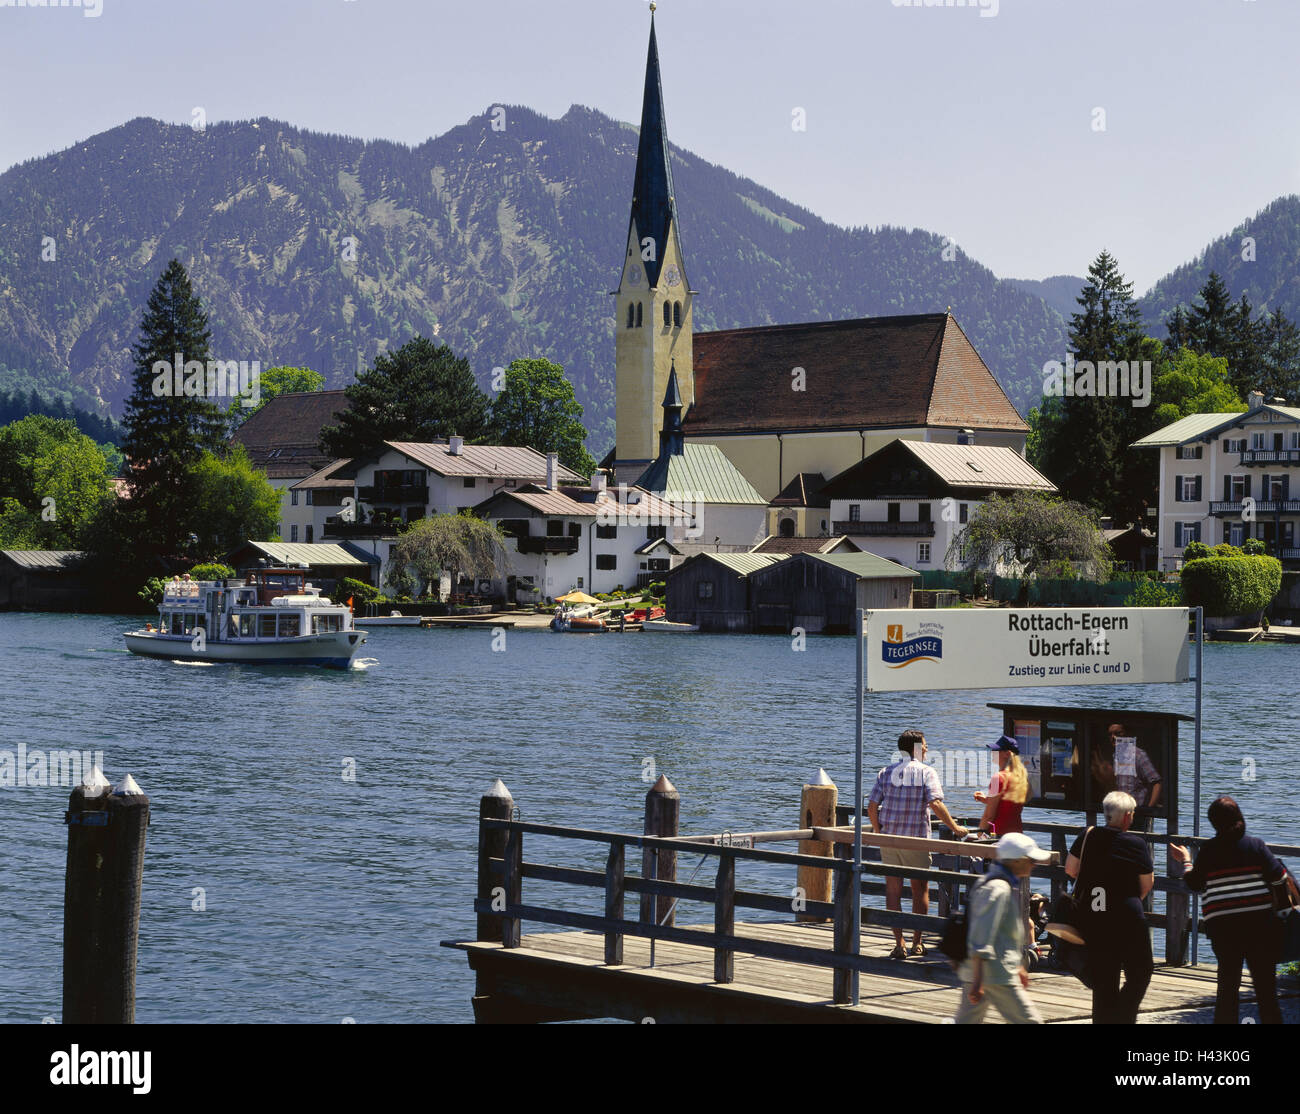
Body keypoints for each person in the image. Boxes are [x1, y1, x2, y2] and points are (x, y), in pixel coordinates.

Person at [1171, 797, 1300, 1024]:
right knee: (1266, 992)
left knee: (1227, 990)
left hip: (1224, 931)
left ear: (1214, 823)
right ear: (1239, 816)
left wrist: (1186, 861)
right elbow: (1279, 877)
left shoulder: (1209, 851)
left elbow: (1195, 884)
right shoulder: (1255, 846)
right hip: (1261, 929)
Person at [868, 729, 969, 959]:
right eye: (924, 745)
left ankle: (899, 943)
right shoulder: (927, 772)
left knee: (892, 891)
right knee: (919, 890)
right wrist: (955, 828)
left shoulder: (885, 772)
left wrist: (878, 831)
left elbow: (872, 807)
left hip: (890, 840)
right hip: (917, 841)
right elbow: (935, 804)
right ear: (916, 748)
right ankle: (917, 942)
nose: (926, 749)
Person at [1065, 790, 1154, 1023]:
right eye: (1132, 814)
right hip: (1128, 919)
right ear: (1126, 816)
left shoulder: (1088, 835)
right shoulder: (1135, 843)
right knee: (1141, 971)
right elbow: (1147, 884)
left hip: (1095, 915)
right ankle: (1122, 1017)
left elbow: (1070, 870)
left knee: (1105, 978)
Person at [954, 832, 1051, 1024]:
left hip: (983, 970)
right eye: (1030, 859)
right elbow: (982, 932)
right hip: (996, 974)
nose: (1034, 864)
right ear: (1016, 861)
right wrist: (979, 979)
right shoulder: (999, 888)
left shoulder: (991, 880)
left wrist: (1018, 967)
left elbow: (1001, 933)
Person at [1091, 722, 1162, 810]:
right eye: (1110, 734)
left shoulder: (1138, 755)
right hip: (1118, 810)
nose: (1113, 737)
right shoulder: (1114, 756)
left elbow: (1156, 782)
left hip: (1137, 810)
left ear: (1126, 734)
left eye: (1118, 733)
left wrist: (1149, 809)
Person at [974, 735, 1029, 836]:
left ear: (1007, 754)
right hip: (1016, 835)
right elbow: (1007, 805)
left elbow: (988, 816)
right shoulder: (1021, 777)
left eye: (996, 751)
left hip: (997, 836)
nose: (992, 753)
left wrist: (979, 834)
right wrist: (987, 800)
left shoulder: (998, 778)